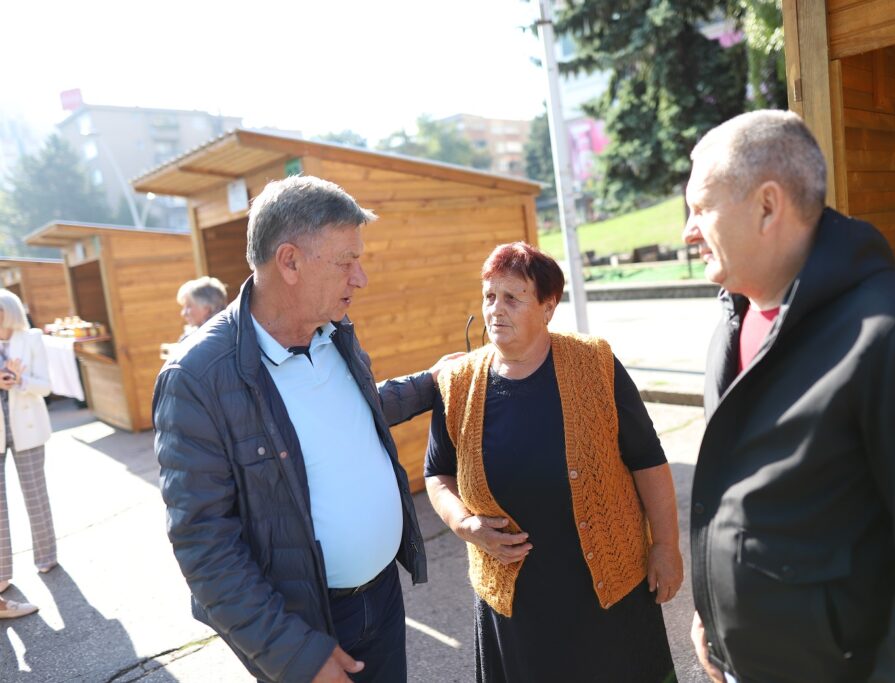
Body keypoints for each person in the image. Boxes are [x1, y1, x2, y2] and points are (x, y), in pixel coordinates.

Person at [683, 110, 895, 683]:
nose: (688, 231)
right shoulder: (731, 325)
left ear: (767, 206)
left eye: (701, 208)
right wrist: (715, 610)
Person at [153, 176, 461, 683]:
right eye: (346, 261)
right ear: (290, 261)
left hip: (382, 597)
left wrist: (430, 382)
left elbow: (358, 410)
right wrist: (294, 653)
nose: (360, 278)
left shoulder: (332, 331)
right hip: (305, 627)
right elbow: (204, 543)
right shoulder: (196, 378)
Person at [425, 242, 682, 683]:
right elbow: (437, 473)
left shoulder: (595, 363)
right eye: (489, 296)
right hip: (517, 604)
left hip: (606, 590)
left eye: (512, 297)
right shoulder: (458, 383)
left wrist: (666, 546)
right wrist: (464, 524)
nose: (495, 309)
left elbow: (647, 460)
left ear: (548, 307)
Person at [0, 288, 56, 612]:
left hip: (28, 429)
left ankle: (46, 556)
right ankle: (1, 573)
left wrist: (20, 381)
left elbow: (45, 386)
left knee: (35, 496)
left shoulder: (32, 339)